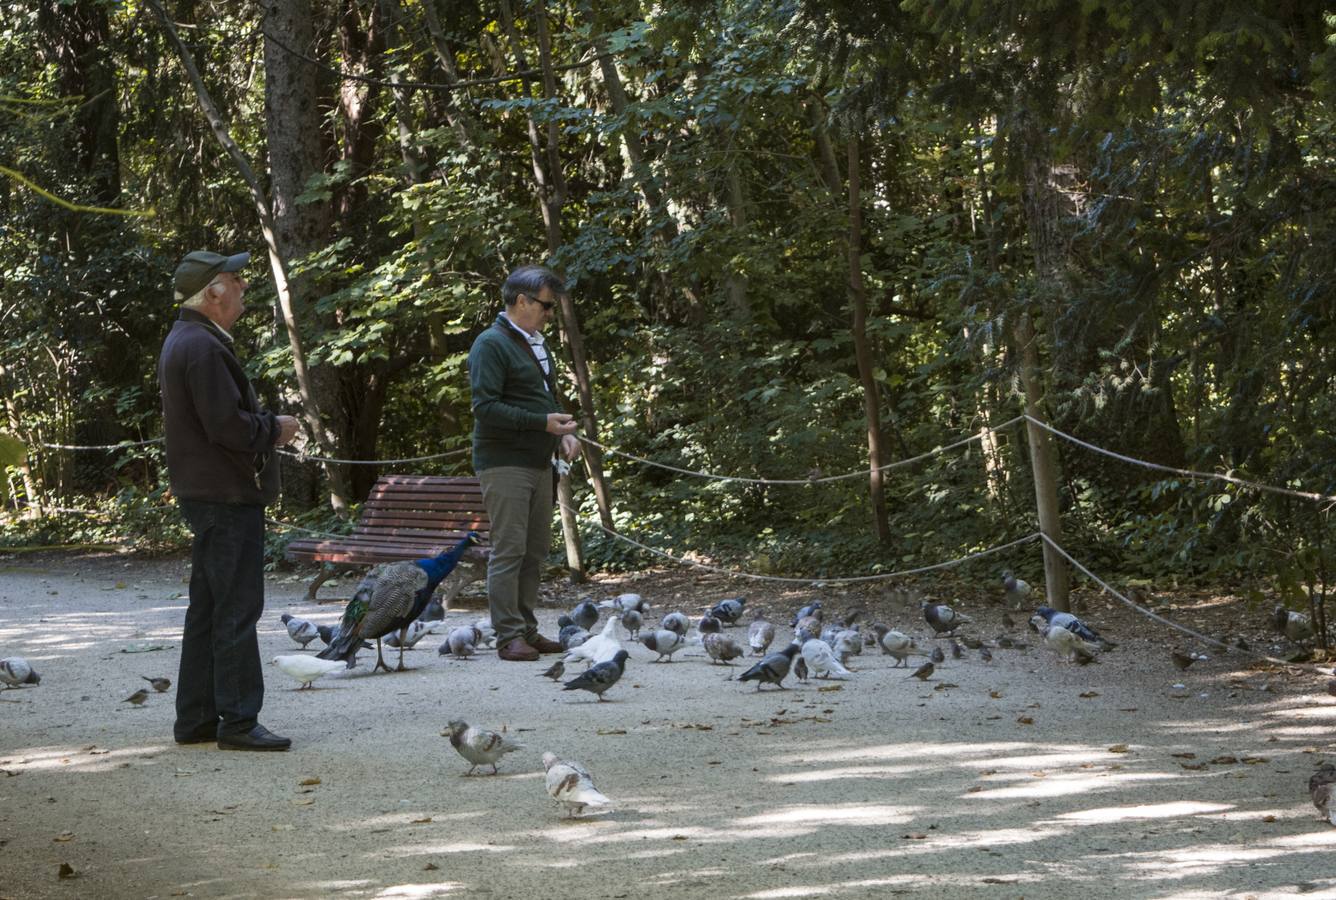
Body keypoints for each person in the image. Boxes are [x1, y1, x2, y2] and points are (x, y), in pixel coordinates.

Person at [158, 250, 300, 750]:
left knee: (210, 608)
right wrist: (275, 429)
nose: (243, 285)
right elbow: (227, 426)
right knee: (237, 608)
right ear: (212, 293)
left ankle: (196, 719)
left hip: (210, 492)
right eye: (234, 279)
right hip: (225, 494)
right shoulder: (201, 345)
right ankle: (238, 722)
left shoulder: (188, 339)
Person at [468, 264, 581, 661]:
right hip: (504, 461)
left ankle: (527, 629)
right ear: (521, 301)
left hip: (538, 460)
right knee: (510, 549)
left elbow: (543, 399)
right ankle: (508, 636)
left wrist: (563, 430)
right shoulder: (490, 343)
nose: (550, 314)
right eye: (546, 306)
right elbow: (485, 407)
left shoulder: (536, 342)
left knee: (534, 551)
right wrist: (542, 423)